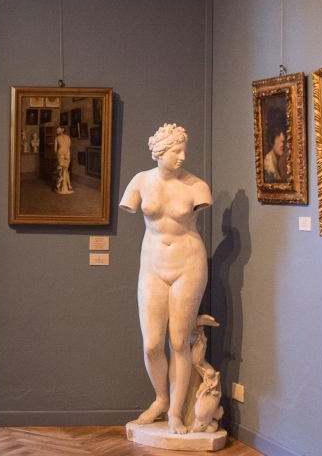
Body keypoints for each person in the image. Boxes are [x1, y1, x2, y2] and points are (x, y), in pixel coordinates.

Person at [119, 124, 212, 434]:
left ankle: (174, 411)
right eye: (176, 151)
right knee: (152, 345)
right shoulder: (140, 182)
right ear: (160, 152)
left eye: (184, 150)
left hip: (189, 263)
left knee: (178, 342)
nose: (182, 157)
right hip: (153, 266)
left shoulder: (197, 187)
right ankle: (160, 399)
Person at [262, 111, 290, 183]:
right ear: (271, 136)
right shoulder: (268, 168)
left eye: (284, 133)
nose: (283, 139)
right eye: (278, 134)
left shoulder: (275, 165)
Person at [54, 126, 73, 194]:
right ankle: (69, 186)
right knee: (66, 170)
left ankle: (58, 185)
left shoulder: (57, 138)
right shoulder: (67, 137)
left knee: (61, 169)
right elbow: (69, 145)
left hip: (60, 152)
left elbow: (55, 150)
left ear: (58, 131)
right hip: (67, 152)